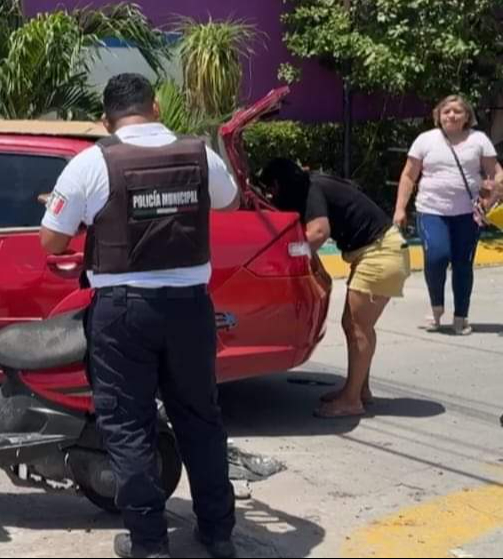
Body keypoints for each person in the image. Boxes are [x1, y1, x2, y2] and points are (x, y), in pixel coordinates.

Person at [39, 73, 240, 559]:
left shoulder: (90, 163)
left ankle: (149, 543)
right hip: (190, 308)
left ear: (105, 119)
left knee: (128, 425)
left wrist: (75, 211)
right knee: (200, 419)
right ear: (155, 106)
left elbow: (51, 241)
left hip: (123, 313)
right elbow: (230, 200)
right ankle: (217, 533)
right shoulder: (199, 154)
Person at [260, 158, 411, 418]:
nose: (270, 195)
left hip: (379, 254)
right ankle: (359, 390)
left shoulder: (311, 190)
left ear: (277, 184)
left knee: (356, 327)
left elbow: (318, 233)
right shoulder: (315, 183)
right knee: (357, 326)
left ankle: (351, 400)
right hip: (381, 251)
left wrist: (286, 253)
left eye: (270, 189)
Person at [394, 94, 503, 335]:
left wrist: (490, 199)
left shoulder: (479, 140)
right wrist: (400, 208)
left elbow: (497, 174)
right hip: (431, 210)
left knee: (463, 264)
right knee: (436, 257)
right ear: (438, 115)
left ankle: (461, 316)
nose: (451, 115)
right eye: (446, 111)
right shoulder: (426, 140)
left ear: (467, 117)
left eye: (457, 111)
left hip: (468, 213)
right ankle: (436, 309)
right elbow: (409, 175)